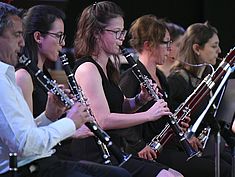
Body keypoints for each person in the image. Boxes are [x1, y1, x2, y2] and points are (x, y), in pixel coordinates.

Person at [0, 2, 132, 177]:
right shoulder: (11, 78)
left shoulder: (8, 75)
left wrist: (49, 116)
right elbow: (25, 145)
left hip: (43, 160)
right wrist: (70, 124)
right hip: (30, 167)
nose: (22, 42)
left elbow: (25, 133)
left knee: (118, 174)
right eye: (17, 34)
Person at [70, 1, 183, 177]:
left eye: (122, 31)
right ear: (97, 33)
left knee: (175, 174)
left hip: (114, 150)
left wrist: (140, 100)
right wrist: (148, 114)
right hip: (96, 155)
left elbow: (120, 107)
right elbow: (103, 120)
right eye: (116, 32)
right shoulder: (87, 69)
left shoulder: (108, 67)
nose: (121, 38)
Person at [119, 15, 231, 177]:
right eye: (166, 43)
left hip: (166, 145)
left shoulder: (161, 76)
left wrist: (181, 128)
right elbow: (121, 117)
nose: (170, 49)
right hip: (146, 150)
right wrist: (139, 145)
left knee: (223, 162)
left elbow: (167, 115)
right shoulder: (131, 77)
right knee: (218, 169)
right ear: (148, 45)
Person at [167, 22, 232, 176]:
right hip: (178, 148)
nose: (219, 51)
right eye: (214, 46)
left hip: (200, 145)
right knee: (225, 169)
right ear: (197, 48)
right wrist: (188, 134)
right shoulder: (177, 80)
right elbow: (167, 118)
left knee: (231, 161)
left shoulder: (203, 80)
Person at [15, 4, 75, 160]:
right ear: (38, 37)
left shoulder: (44, 74)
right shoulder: (23, 76)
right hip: (40, 161)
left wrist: (62, 111)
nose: (62, 43)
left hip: (55, 153)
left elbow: (47, 119)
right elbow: (27, 139)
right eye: (58, 36)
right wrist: (70, 126)